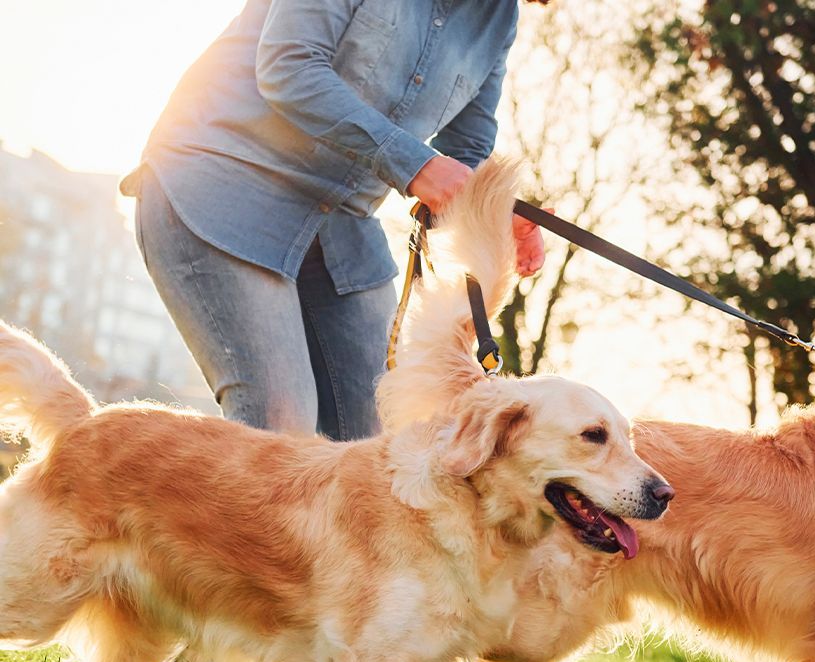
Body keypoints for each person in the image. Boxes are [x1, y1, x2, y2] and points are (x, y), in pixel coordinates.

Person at [121, 0, 548, 440]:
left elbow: (467, 149)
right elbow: (289, 66)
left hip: (343, 227)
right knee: (281, 426)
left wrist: (491, 213)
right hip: (224, 184)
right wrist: (416, 166)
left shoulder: (497, 17)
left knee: (385, 442)